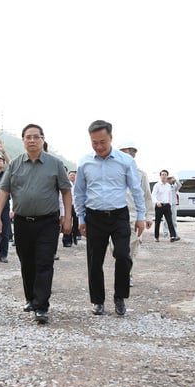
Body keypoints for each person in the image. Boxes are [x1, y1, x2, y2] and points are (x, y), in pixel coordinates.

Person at [0, 123, 72, 324]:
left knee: (44, 261)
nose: (32, 140)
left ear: (42, 139)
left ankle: (41, 306)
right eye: (28, 137)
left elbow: (66, 191)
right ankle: (30, 298)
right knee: (26, 261)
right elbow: (3, 191)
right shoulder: (15, 165)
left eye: (36, 137)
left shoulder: (55, 164)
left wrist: (68, 217)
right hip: (22, 222)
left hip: (48, 222)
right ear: (23, 141)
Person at [74, 121, 146, 316]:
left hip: (119, 215)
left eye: (102, 142)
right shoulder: (84, 162)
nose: (98, 147)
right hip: (94, 216)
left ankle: (120, 297)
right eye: (94, 142)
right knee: (94, 260)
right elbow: (79, 192)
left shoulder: (125, 161)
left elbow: (136, 190)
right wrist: (81, 217)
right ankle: (98, 301)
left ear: (111, 139)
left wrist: (141, 216)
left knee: (123, 255)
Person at [117, 142, 153, 286]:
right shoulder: (113, 173)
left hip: (134, 217)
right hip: (115, 217)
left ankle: (127, 274)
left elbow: (147, 196)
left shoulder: (140, 175)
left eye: (126, 153)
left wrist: (148, 216)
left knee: (131, 247)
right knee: (117, 250)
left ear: (133, 155)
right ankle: (123, 271)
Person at [151, 170, 179, 242]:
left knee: (170, 221)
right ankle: (156, 237)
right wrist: (157, 202)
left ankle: (173, 236)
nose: (164, 176)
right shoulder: (157, 185)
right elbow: (153, 195)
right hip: (159, 206)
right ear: (160, 176)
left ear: (167, 176)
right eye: (162, 174)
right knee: (158, 222)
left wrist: (170, 204)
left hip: (167, 206)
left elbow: (170, 196)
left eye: (165, 175)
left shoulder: (168, 186)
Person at [62, 170, 80, 247]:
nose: (72, 176)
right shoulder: (66, 184)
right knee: (68, 222)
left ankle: (74, 237)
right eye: (71, 175)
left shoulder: (78, 185)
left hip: (76, 206)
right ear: (68, 176)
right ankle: (67, 240)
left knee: (76, 222)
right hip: (68, 206)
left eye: (74, 175)